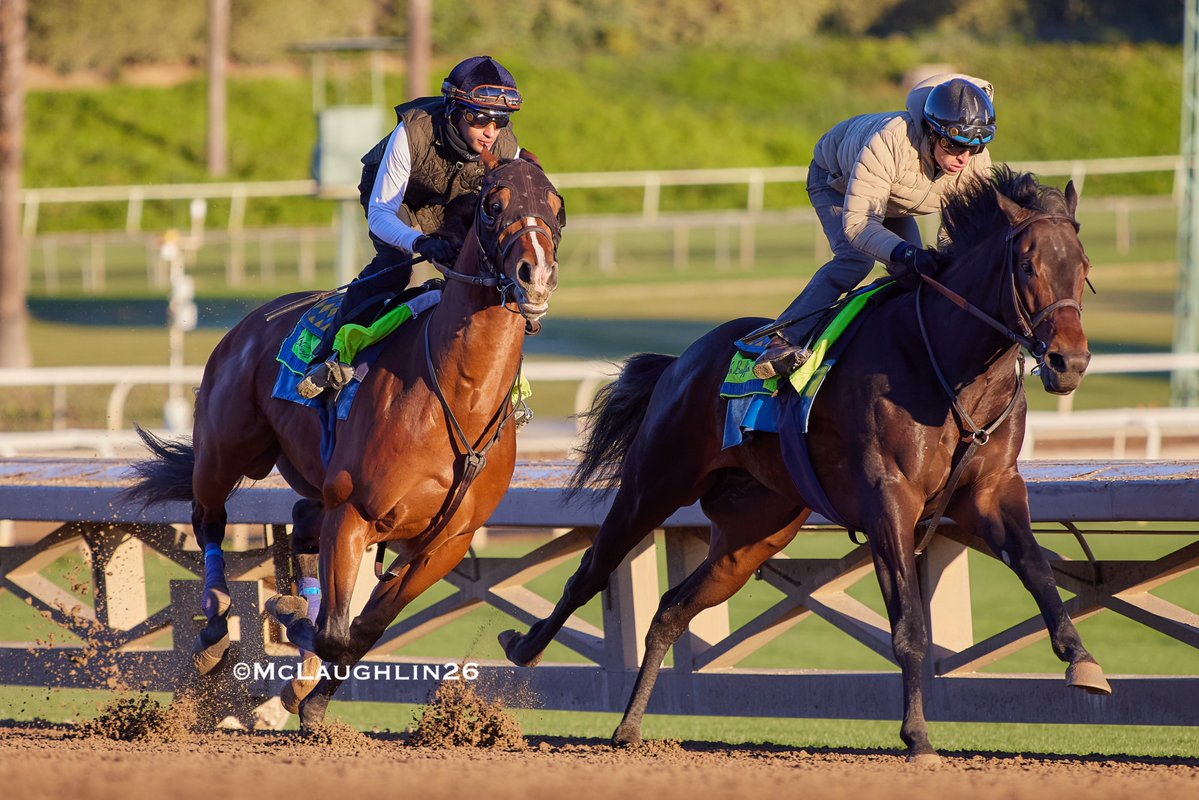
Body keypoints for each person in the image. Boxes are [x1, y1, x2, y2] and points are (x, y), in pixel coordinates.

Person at [298, 55, 524, 398]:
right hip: (395, 200)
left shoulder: (508, 148)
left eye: (500, 120)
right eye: (479, 119)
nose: (491, 131)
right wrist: (418, 243)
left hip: (455, 206)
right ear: (453, 110)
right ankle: (332, 357)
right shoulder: (411, 132)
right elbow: (381, 214)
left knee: (485, 274)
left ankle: (508, 383)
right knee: (396, 265)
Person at [752, 73, 996, 380]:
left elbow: (958, 236)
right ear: (931, 132)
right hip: (837, 181)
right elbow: (858, 225)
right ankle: (783, 341)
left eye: (972, 148)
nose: (962, 158)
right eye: (952, 144)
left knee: (923, 275)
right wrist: (906, 253)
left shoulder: (976, 161)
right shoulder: (891, 139)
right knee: (856, 260)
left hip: (891, 196)